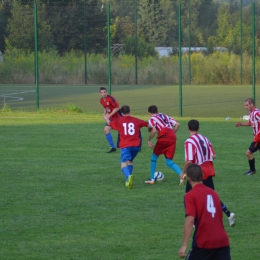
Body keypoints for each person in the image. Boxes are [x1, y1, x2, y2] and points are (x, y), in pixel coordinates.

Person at [181, 119, 236, 227]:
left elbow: (189, 160)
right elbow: (213, 155)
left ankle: (194, 220)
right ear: (199, 128)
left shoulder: (189, 141)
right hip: (208, 170)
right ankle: (229, 214)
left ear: (188, 128)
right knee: (211, 196)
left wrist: (183, 173)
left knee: (188, 195)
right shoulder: (205, 138)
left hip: (197, 172)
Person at [178, 164, 231, 260]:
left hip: (204, 242)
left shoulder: (190, 196)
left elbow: (190, 220)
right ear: (202, 175)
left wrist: (184, 245)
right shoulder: (214, 194)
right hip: (223, 241)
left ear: (188, 179)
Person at [104, 105, 149, 189]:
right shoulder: (136, 120)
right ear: (130, 111)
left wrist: (106, 118)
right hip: (136, 146)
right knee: (130, 161)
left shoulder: (119, 121)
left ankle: (129, 177)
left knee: (123, 164)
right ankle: (127, 181)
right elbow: (148, 124)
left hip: (126, 145)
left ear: (121, 112)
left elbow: (110, 124)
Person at [145, 105, 185, 185]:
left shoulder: (152, 119)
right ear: (157, 111)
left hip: (163, 136)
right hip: (172, 137)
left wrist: (149, 140)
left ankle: (152, 179)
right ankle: (181, 175)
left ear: (149, 113)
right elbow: (177, 124)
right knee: (168, 160)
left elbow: (154, 130)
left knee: (154, 157)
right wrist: (172, 134)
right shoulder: (164, 115)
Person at [235, 97, 260, 175]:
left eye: (246, 105)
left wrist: (258, 135)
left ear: (252, 104)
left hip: (258, 138)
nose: (245, 107)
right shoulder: (251, 113)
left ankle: (252, 170)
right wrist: (241, 124)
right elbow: (250, 123)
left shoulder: (257, 113)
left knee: (248, 153)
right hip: (256, 137)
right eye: (245, 105)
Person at [99, 87, 122, 153]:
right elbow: (105, 107)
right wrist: (104, 115)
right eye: (102, 92)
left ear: (107, 92)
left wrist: (109, 115)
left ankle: (135, 145)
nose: (103, 94)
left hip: (118, 117)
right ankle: (113, 147)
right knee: (106, 130)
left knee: (122, 131)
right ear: (100, 93)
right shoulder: (101, 100)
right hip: (111, 118)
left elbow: (117, 108)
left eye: (104, 92)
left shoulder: (111, 98)